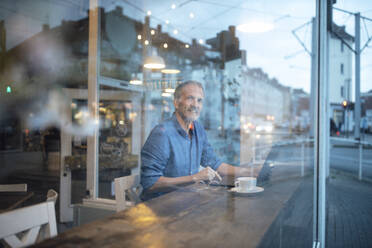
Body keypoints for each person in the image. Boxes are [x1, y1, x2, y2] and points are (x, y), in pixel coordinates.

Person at [140, 81, 262, 200]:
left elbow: (215, 164)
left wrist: (247, 172)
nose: (195, 104)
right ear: (176, 103)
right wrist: (194, 178)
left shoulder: (197, 129)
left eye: (199, 100)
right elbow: (150, 183)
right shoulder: (162, 133)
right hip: (159, 206)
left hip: (185, 201)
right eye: (190, 98)